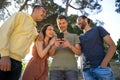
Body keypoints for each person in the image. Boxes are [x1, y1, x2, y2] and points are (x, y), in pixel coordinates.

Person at [0, 5, 46, 80]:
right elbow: (4, 31)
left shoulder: (35, 30)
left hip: (18, 64)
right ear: (36, 10)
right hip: (5, 58)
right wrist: (4, 55)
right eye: (43, 11)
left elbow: (39, 45)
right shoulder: (20, 15)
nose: (44, 15)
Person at [76, 15, 116, 80]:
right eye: (77, 22)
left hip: (101, 69)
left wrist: (104, 64)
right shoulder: (79, 37)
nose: (78, 23)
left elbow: (112, 46)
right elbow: (78, 53)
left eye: (79, 20)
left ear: (86, 20)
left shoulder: (98, 29)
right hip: (87, 71)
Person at [49, 15, 81, 80]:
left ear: (67, 23)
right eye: (59, 23)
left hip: (71, 69)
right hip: (55, 70)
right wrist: (54, 46)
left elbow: (79, 53)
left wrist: (69, 45)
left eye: (63, 23)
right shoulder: (53, 37)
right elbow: (50, 54)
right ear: (57, 25)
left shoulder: (74, 36)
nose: (61, 25)